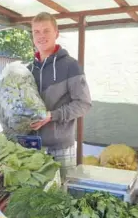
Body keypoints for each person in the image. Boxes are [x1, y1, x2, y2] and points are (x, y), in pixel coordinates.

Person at [28, 12, 92, 179]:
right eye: (36, 31)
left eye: (46, 31)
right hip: (31, 147)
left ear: (56, 33)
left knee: (61, 197)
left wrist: (52, 116)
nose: (41, 36)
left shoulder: (71, 66)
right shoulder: (27, 70)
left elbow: (84, 104)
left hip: (60, 148)